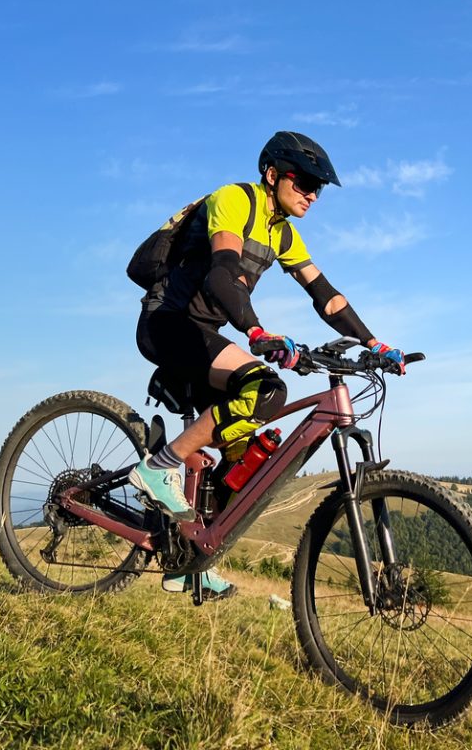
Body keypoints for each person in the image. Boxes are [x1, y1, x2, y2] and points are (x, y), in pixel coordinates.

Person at [129, 131, 405, 600]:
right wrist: (258, 332)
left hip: (207, 334)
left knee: (249, 460)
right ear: (272, 175)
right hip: (168, 322)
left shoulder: (282, 232)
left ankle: (191, 561)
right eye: (304, 182)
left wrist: (373, 341)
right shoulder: (234, 201)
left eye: (318, 187)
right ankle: (159, 466)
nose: (313, 194)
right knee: (264, 388)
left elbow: (326, 295)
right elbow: (222, 270)